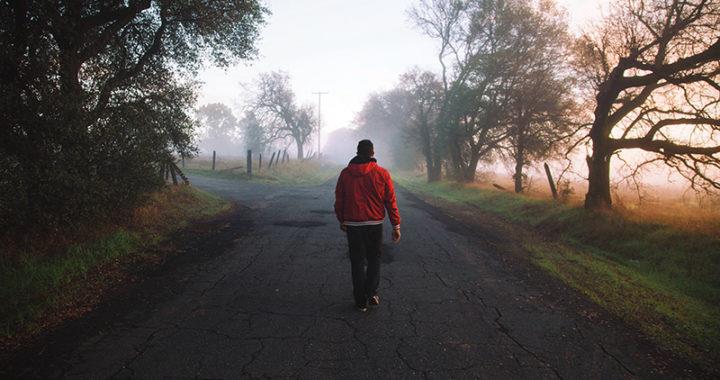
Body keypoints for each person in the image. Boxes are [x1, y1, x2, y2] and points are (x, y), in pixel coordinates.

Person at [334, 139, 401, 312]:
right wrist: (396, 225)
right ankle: (371, 293)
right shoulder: (382, 173)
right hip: (374, 224)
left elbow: (339, 199)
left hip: (353, 224)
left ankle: (360, 301)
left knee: (357, 261)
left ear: (357, 151)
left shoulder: (345, 174)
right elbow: (390, 200)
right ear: (372, 153)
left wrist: (342, 219)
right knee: (373, 259)